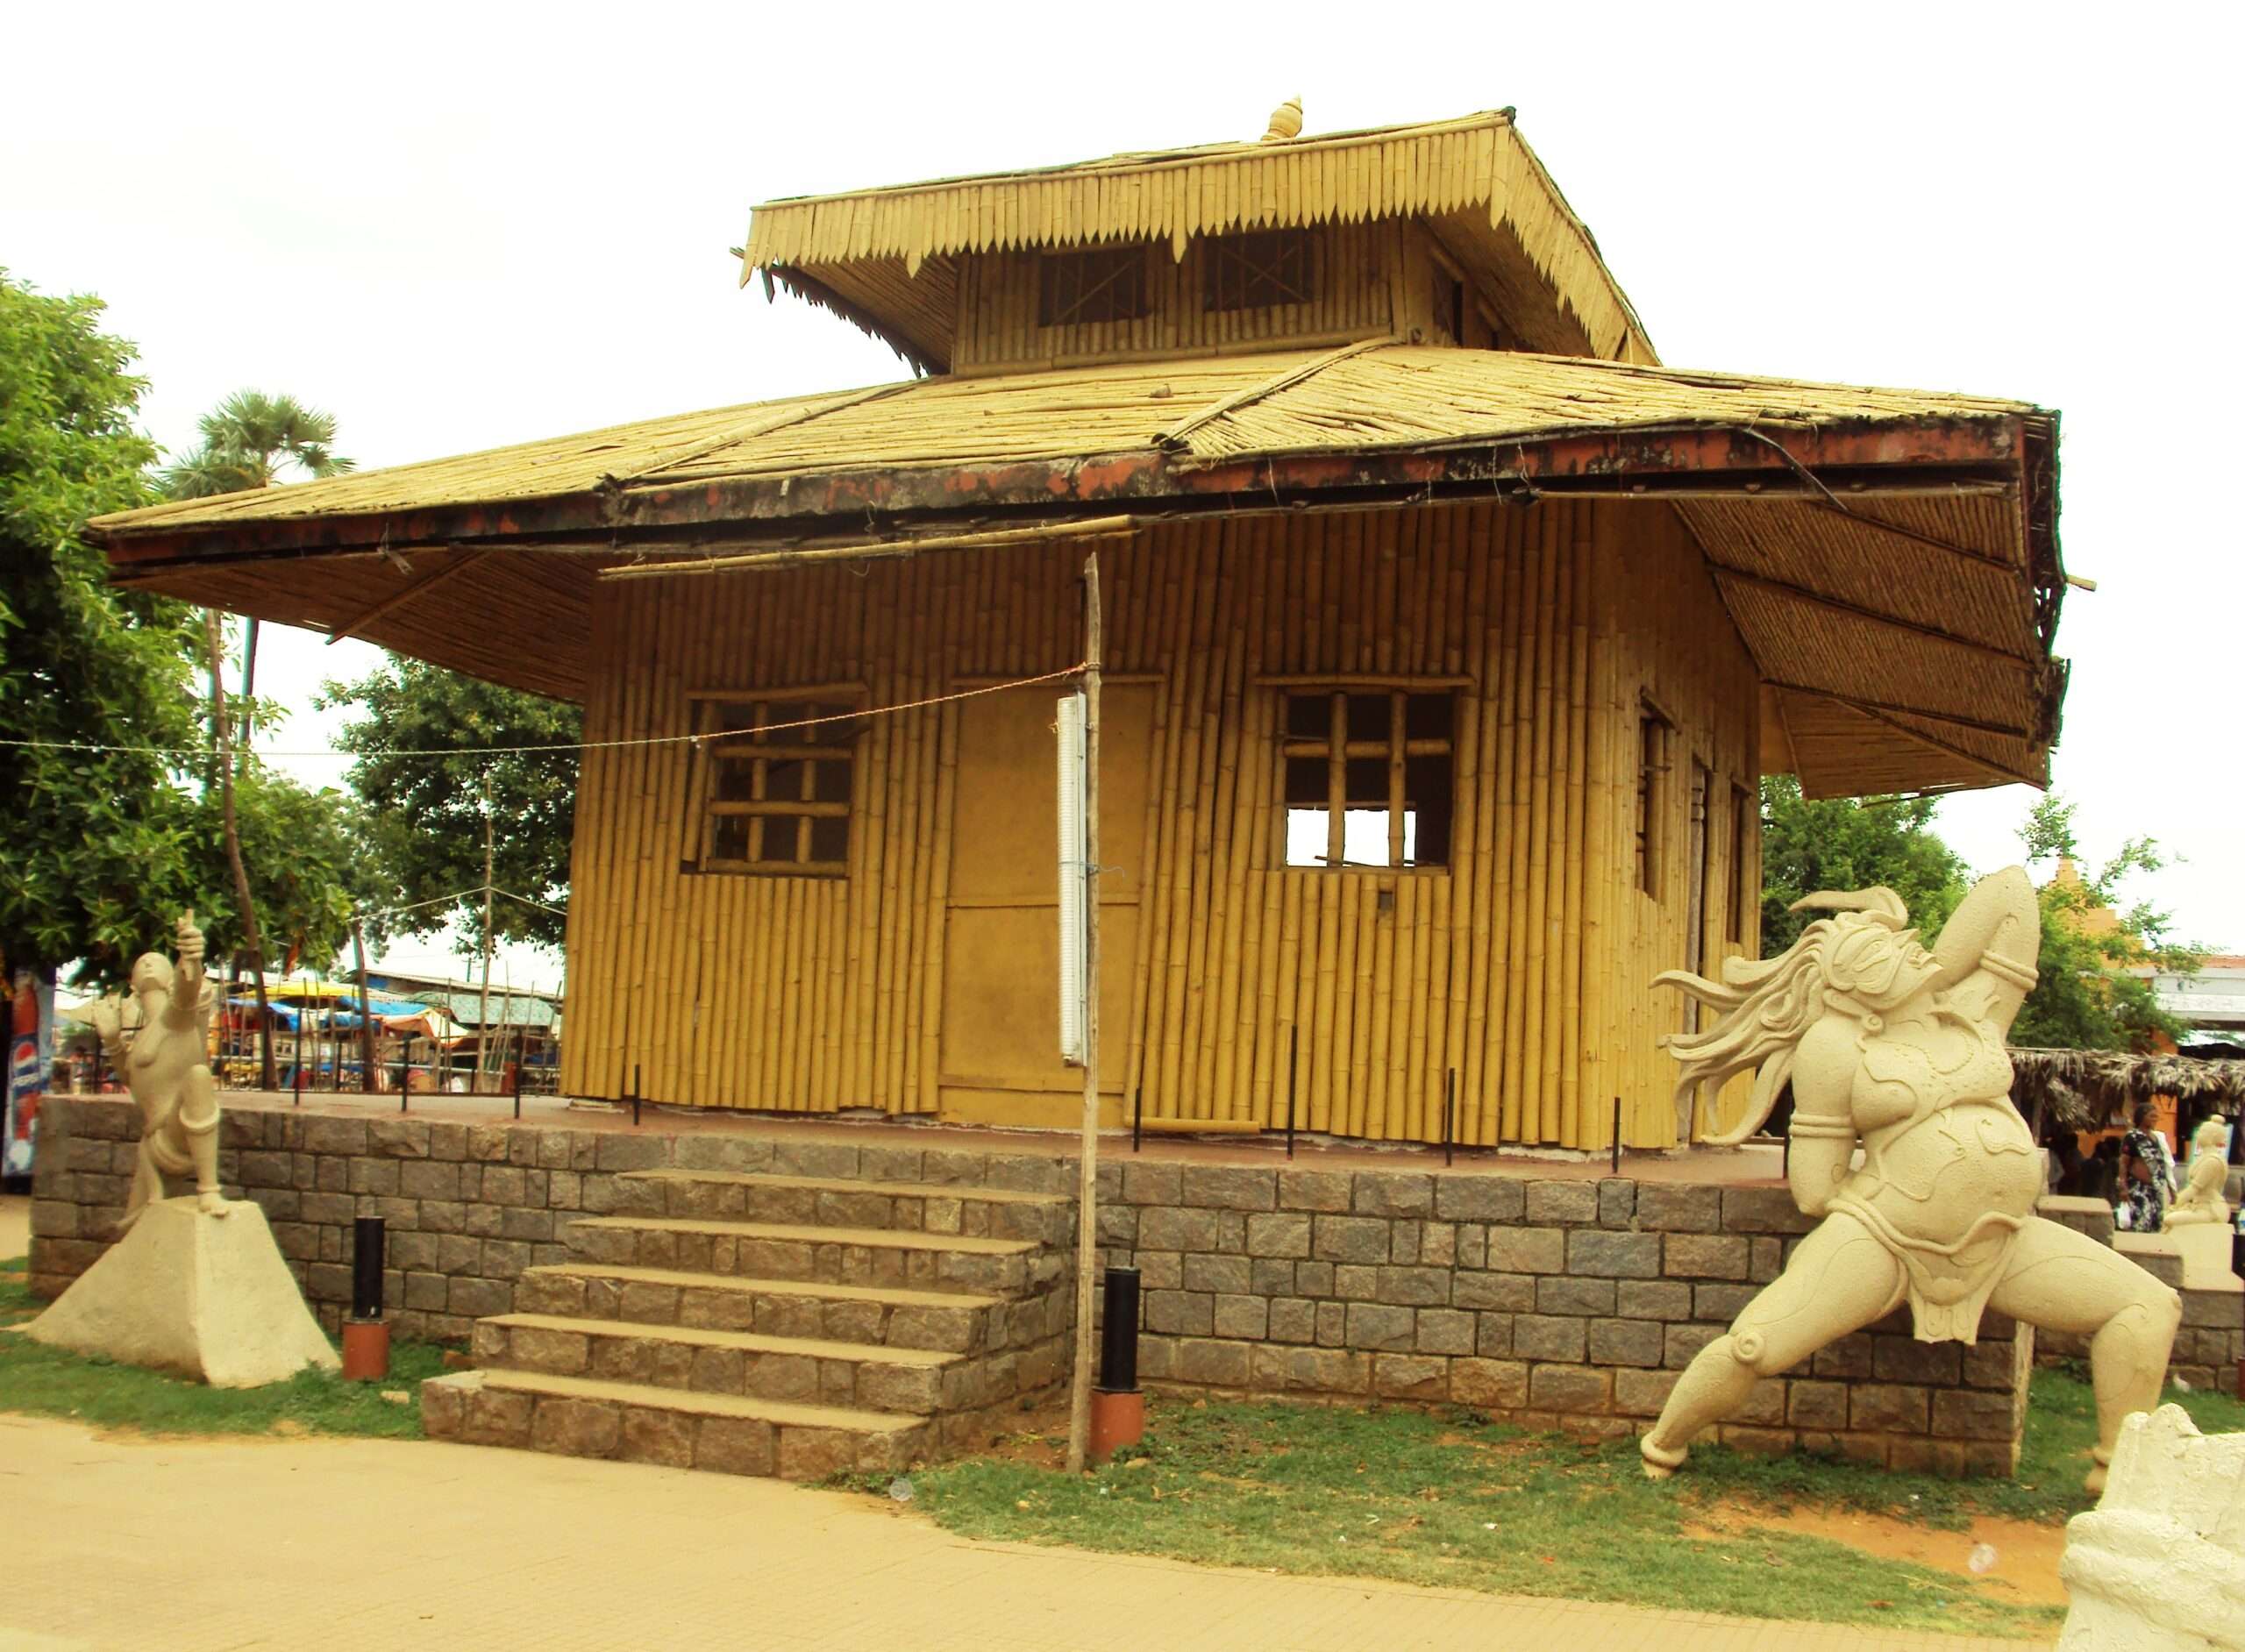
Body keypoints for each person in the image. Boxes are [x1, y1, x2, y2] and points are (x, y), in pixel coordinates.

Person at [1636, 868, 2180, 1494]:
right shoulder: (1835, 1046)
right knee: (1757, 1345)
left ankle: (2118, 1479)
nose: (1906, 947)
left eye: (1904, 942)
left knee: (2147, 1306)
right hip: (1886, 1235)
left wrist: (1939, 969)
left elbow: (2010, 893)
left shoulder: (1974, 1015)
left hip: (2001, 1241)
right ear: (1850, 987)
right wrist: (1908, 1205)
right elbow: (1815, 1188)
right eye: (1880, 950)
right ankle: (1665, 1442)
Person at [87, 913, 230, 1231]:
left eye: (156, 961)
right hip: (153, 1146)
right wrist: (111, 1041)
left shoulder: (176, 1022)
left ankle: (209, 1189)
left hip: (179, 1131)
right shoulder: (140, 1040)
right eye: (142, 963)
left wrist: (190, 956)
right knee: (132, 1232)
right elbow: (132, 1080)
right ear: (133, 987)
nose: (149, 963)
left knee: (198, 1077)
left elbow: (186, 994)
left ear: (169, 979)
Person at [2120, 1104, 2176, 1235]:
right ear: (2141, 1117)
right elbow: (2123, 1163)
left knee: (2155, 1226)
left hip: (2155, 1190)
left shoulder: (2157, 1138)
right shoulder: (2133, 1137)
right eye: (2151, 1116)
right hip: (2138, 1190)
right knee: (2140, 1225)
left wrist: (2172, 1191)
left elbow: (2164, 1165)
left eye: (2156, 1116)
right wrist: (2123, 1187)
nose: (2155, 1119)